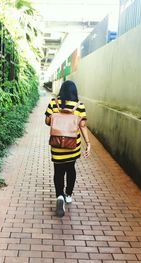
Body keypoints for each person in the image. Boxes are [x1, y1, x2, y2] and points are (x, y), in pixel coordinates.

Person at [45, 80, 91, 217]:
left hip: (57, 144)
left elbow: (47, 122)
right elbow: (82, 126)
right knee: (71, 169)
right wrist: (88, 143)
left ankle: (60, 196)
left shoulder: (54, 103)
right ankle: (69, 194)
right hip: (73, 146)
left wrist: (56, 117)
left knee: (58, 171)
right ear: (74, 91)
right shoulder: (79, 106)